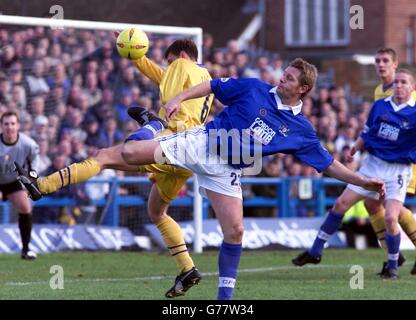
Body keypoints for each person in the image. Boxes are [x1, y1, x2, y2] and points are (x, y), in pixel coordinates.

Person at [20, 57, 380, 300]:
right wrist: (178, 96)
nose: (282, 78)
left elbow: (330, 165)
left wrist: (363, 182)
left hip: (227, 170)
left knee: (235, 231)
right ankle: (49, 183)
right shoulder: (253, 87)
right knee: (124, 155)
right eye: (284, 73)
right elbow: (211, 85)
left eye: (289, 78)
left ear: (302, 89)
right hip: (204, 143)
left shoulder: (301, 130)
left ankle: (224, 299)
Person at [15, 39, 213, 298]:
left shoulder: (182, 65)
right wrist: (134, 54)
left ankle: (41, 186)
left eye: (170, 61)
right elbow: (160, 75)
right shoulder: (203, 76)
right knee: (156, 212)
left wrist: (160, 122)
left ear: (183, 55)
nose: (169, 67)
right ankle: (187, 269)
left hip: (171, 141)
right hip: (189, 154)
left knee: (104, 156)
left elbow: (169, 96)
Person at [292, 69, 416, 279]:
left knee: (391, 218)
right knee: (340, 204)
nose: (399, 85)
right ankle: (315, 251)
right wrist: (355, 148)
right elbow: (368, 131)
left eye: (404, 82)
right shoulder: (380, 106)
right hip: (373, 165)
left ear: (412, 87)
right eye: (396, 82)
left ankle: (392, 266)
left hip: (398, 170)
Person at [365, 48, 416, 275]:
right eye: (377, 61)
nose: (380, 65)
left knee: (390, 210)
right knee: (373, 204)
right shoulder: (380, 92)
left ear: (395, 65)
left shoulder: (410, 95)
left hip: (405, 163)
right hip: (384, 160)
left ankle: (392, 259)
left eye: (386, 61)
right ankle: (392, 255)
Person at [0, 111, 39, 260]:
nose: (10, 127)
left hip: (13, 181)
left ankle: (26, 249)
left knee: (25, 208)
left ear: (18, 125)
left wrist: (31, 178)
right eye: (6, 124)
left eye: (13, 123)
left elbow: (34, 162)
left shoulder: (28, 144)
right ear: (1, 126)